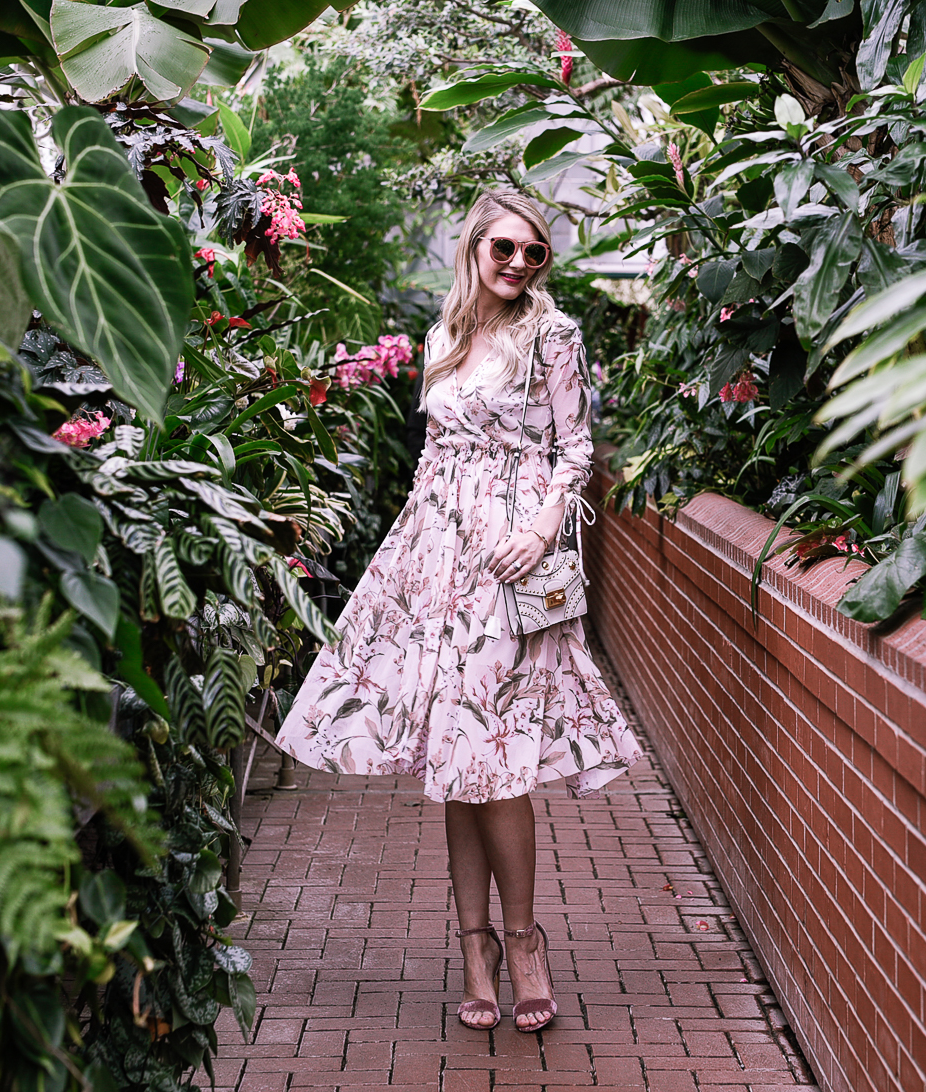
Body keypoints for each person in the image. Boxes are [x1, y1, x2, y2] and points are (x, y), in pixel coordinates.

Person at [276, 190, 641, 1033]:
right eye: (504, 249)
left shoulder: (552, 335)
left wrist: (544, 530)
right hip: (436, 564)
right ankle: (474, 947)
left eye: (534, 253)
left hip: (513, 565)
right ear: (474, 248)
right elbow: (433, 459)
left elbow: (575, 448)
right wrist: (404, 569)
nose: (518, 264)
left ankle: (524, 943)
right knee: (458, 758)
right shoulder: (443, 337)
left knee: (498, 759)